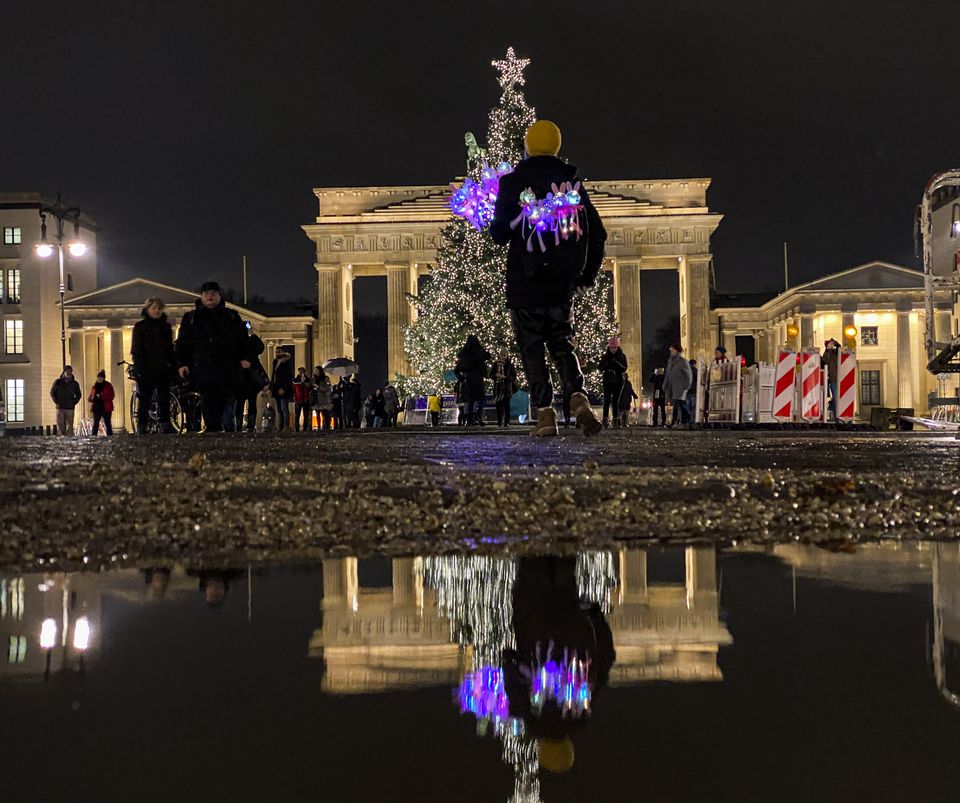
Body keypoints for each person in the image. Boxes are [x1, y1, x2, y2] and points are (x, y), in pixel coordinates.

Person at [490, 119, 606, 438]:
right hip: (561, 281)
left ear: (528, 147)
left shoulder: (513, 183)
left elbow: (499, 233)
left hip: (524, 282)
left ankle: (545, 415)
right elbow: (598, 235)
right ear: (556, 147)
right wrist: (586, 275)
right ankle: (577, 396)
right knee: (560, 342)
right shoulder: (572, 185)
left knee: (531, 347)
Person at [501, 556, 614, 776]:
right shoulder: (529, 714)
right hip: (534, 626)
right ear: (542, 747)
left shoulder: (582, 709)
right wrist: (509, 658)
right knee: (532, 568)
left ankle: (561, 538)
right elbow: (513, 680)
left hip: (571, 623)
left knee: (563, 574)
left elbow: (605, 657)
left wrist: (595, 617)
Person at [175, 281, 253, 433]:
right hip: (203, 367)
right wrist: (182, 363)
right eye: (206, 293)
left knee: (227, 400)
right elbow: (182, 342)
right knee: (209, 401)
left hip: (227, 367)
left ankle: (224, 429)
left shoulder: (231, 316)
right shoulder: (191, 317)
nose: (209, 296)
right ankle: (213, 430)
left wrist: (246, 357)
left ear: (219, 296)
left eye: (213, 293)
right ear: (202, 297)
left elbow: (243, 340)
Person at [131, 297, 177, 434]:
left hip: (163, 367)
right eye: (154, 308)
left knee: (164, 397)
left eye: (159, 308)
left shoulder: (166, 327)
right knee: (145, 398)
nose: (157, 311)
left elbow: (170, 348)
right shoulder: (140, 327)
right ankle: (142, 425)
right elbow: (136, 349)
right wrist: (139, 367)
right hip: (146, 368)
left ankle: (165, 423)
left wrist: (171, 365)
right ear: (147, 309)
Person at [455, 335, 491, 425]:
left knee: (471, 400)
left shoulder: (465, 353)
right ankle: (478, 415)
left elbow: (457, 369)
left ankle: (470, 419)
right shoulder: (479, 351)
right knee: (481, 398)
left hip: (469, 379)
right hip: (478, 378)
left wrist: (462, 378)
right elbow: (488, 356)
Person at [599, 336, 628, 428]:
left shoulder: (622, 356)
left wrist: (616, 364)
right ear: (609, 348)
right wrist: (606, 366)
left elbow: (624, 368)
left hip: (618, 381)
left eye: (614, 347)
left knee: (615, 401)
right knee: (606, 400)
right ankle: (605, 419)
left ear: (618, 347)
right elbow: (600, 367)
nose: (613, 350)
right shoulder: (605, 357)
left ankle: (616, 420)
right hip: (607, 380)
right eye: (611, 348)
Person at [663, 344, 693, 427]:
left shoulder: (683, 361)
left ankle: (677, 421)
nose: (671, 351)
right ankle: (685, 421)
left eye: (672, 349)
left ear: (677, 351)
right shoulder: (670, 362)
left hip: (680, 388)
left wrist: (687, 385)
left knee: (678, 405)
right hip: (672, 388)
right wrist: (665, 384)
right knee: (678, 405)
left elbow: (688, 374)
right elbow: (668, 375)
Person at [50, 365, 82, 435]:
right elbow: (52, 392)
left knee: (69, 425)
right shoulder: (58, 382)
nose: (68, 373)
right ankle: (62, 438)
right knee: (60, 424)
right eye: (67, 371)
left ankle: (69, 438)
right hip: (60, 407)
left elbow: (79, 394)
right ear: (64, 372)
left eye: (70, 371)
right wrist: (57, 401)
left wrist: (74, 402)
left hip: (70, 407)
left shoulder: (75, 383)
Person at [490, 349, 518, 426]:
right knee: (499, 405)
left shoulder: (509, 364)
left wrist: (505, 377)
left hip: (507, 388)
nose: (503, 357)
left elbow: (514, 376)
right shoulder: (495, 364)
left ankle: (507, 422)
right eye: (501, 355)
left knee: (507, 406)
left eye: (504, 355)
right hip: (498, 388)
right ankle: (499, 422)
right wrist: (496, 375)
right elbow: (491, 374)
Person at [270, 350, 294, 431]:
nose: (277, 353)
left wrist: (284, 388)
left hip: (284, 389)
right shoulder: (275, 362)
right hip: (276, 387)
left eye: (279, 351)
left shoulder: (286, 362)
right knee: (279, 409)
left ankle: (286, 426)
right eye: (276, 351)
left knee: (284, 408)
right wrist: (271, 386)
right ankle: (280, 426)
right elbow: (273, 375)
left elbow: (290, 377)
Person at [88, 369, 115, 436]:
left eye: (101, 377)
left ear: (103, 378)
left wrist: (102, 397)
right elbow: (91, 396)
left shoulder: (108, 385)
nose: (99, 379)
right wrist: (92, 398)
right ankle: (94, 435)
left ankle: (110, 435)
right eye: (98, 377)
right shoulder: (95, 386)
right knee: (96, 423)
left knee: (107, 423)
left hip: (105, 407)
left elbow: (111, 396)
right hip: (96, 407)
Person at [822, 338, 840, 421]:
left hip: (842, 380)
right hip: (834, 380)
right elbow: (824, 362)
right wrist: (827, 349)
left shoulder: (837, 353)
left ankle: (843, 418)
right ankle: (837, 419)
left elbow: (840, 348)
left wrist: (835, 343)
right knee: (837, 401)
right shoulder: (827, 354)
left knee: (842, 401)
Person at [292, 366, 313, 432]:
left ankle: (305, 428)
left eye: (302, 371)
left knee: (306, 415)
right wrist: (295, 398)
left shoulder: (307, 379)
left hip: (306, 399)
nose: (301, 373)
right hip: (298, 399)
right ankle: (297, 428)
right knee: (297, 415)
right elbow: (293, 390)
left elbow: (310, 387)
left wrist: (304, 383)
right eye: (300, 371)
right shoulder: (295, 380)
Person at [686, 358, 699, 424]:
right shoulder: (695, 370)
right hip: (693, 391)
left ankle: (690, 418)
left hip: (688, 391)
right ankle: (692, 418)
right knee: (693, 406)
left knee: (688, 406)